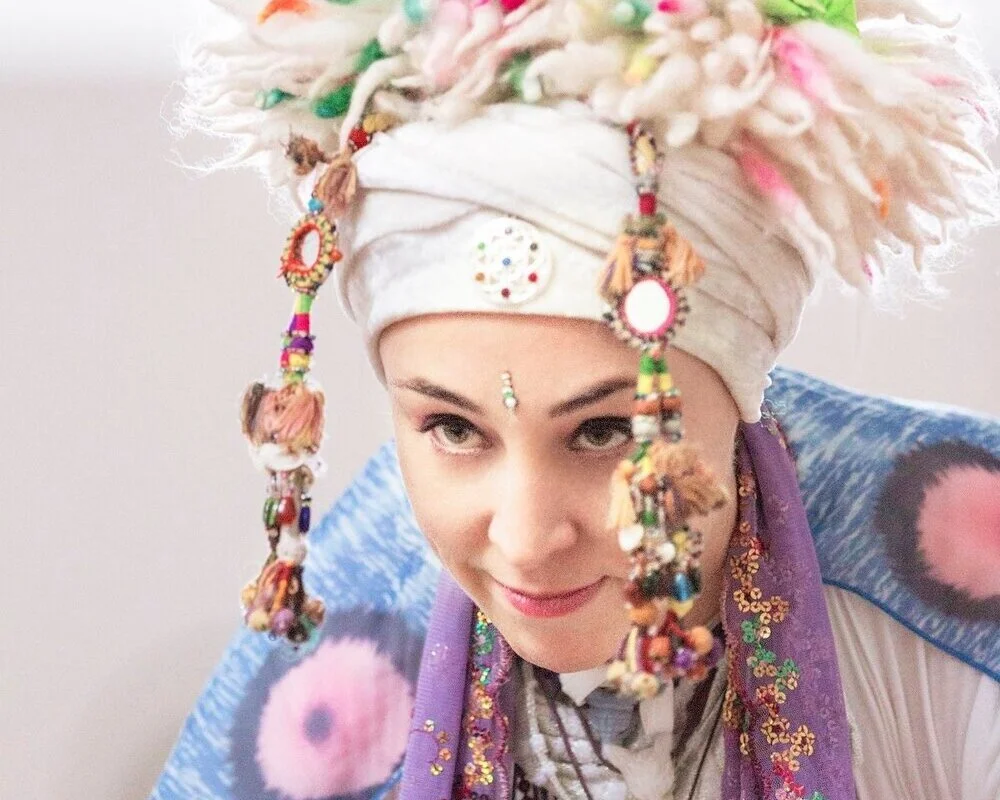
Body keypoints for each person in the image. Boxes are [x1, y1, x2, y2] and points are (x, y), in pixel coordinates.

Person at [154, 0, 1000, 798]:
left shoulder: (961, 596)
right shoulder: (334, 689)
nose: (526, 542)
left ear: (742, 384)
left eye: (603, 431)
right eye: (453, 429)